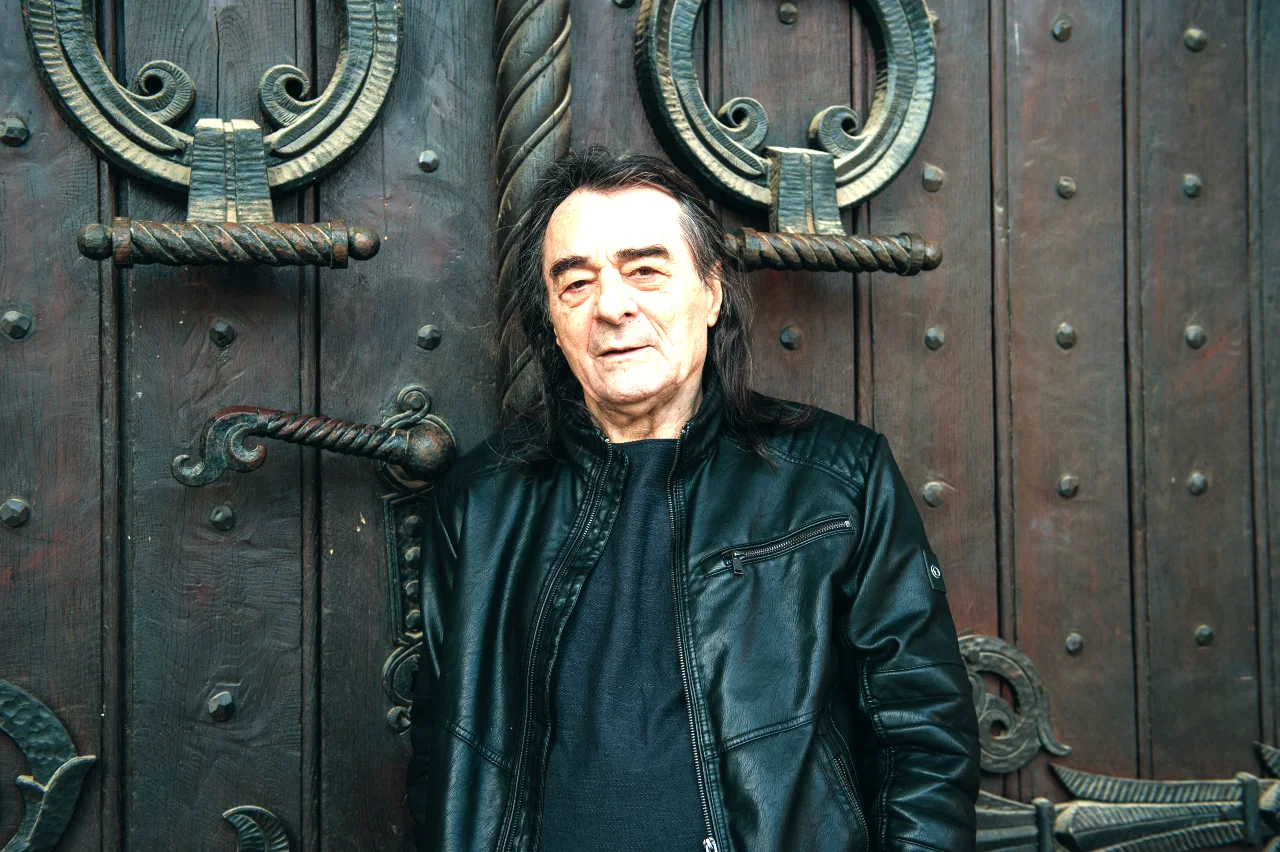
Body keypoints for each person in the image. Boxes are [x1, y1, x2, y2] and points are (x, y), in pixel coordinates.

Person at [405, 147, 980, 852]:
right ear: (552, 318)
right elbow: (440, 761)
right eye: (576, 283)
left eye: (645, 270)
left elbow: (923, 739)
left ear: (711, 292)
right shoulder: (481, 503)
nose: (611, 305)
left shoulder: (838, 481)